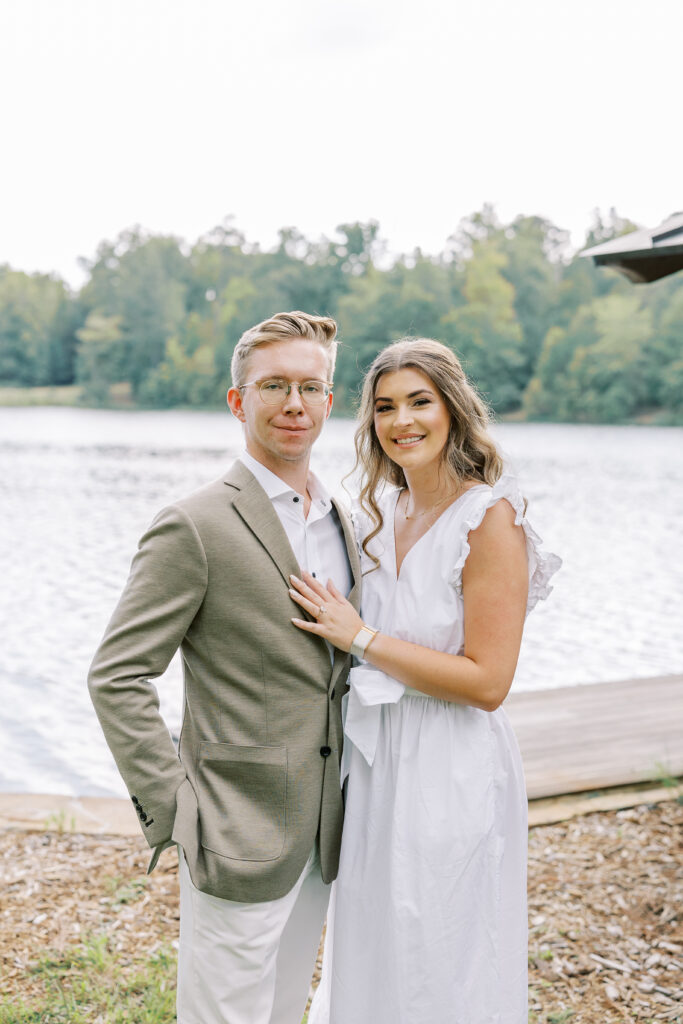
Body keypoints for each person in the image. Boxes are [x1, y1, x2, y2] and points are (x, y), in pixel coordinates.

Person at [88, 311, 361, 1024]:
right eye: (273, 386)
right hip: (233, 830)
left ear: (330, 402)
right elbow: (117, 674)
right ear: (238, 401)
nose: (294, 404)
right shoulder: (195, 524)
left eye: (310, 387)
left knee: (283, 1010)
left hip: (328, 829)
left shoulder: (345, 520)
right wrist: (179, 810)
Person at [289, 338, 561, 1024]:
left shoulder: (488, 518)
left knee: (438, 948)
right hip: (378, 761)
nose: (400, 421)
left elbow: (487, 680)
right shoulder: (381, 516)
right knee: (373, 938)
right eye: (384, 407)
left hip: (450, 761)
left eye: (418, 402)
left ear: (453, 410)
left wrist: (361, 637)